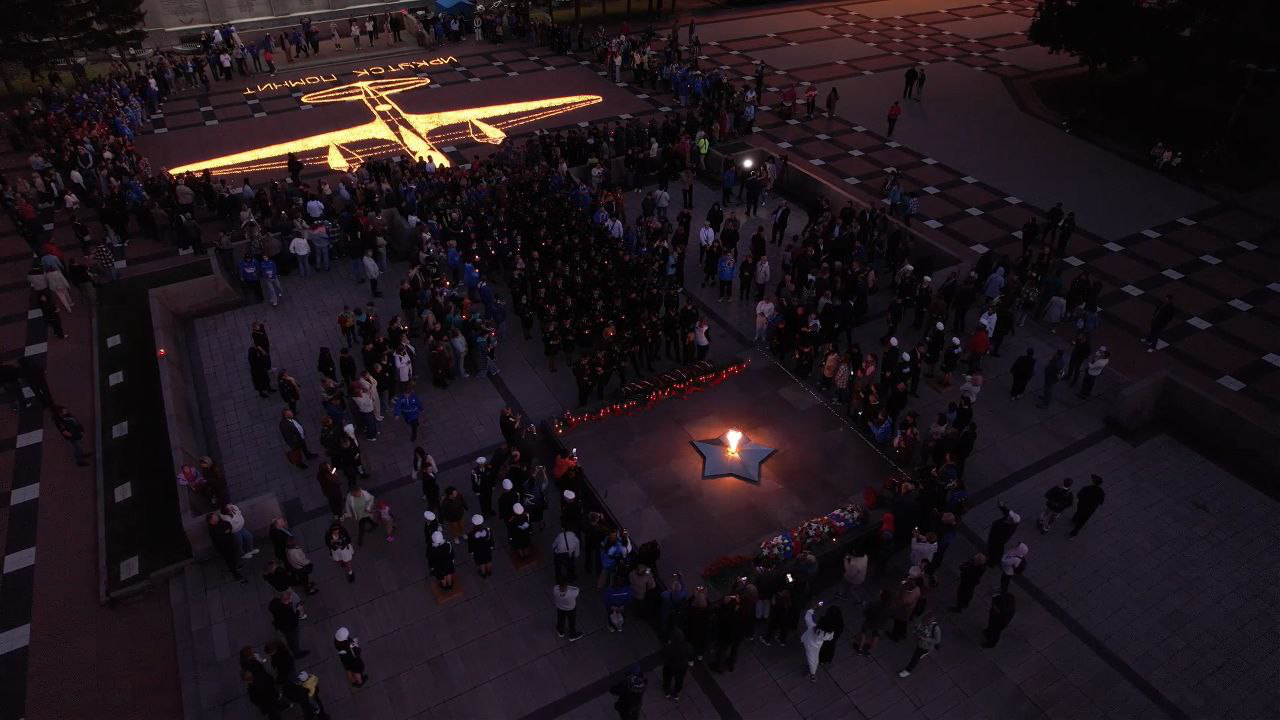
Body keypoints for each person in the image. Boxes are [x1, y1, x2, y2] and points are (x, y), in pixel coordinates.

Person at [268, 591, 308, 657]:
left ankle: (290, 645)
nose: (291, 599)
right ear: (288, 600)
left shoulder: (275, 602)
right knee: (294, 640)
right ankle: (297, 654)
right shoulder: (287, 610)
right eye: (291, 598)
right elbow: (294, 621)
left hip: (281, 626)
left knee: (288, 638)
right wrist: (298, 610)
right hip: (290, 628)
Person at [661, 629, 693, 700]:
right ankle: (677, 693)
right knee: (679, 679)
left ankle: (667, 691)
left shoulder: (669, 647)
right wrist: (690, 661)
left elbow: (664, 655)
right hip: (681, 667)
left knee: (667, 678)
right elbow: (691, 654)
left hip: (669, 666)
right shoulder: (687, 646)